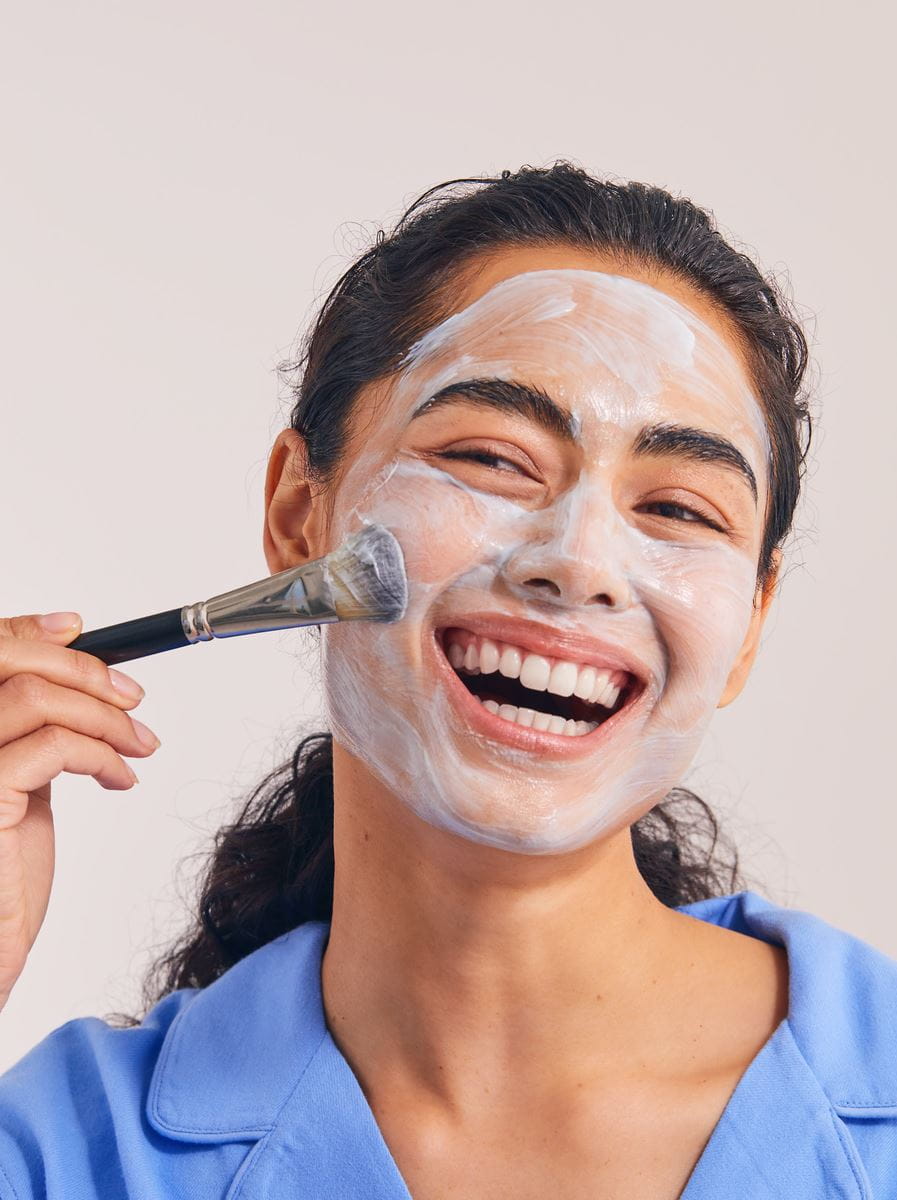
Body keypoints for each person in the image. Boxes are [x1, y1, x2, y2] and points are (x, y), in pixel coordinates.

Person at [0, 164, 893, 1199]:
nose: (581, 561)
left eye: (681, 510)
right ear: (300, 513)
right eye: (491, 457)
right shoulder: (66, 1151)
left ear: (750, 623)